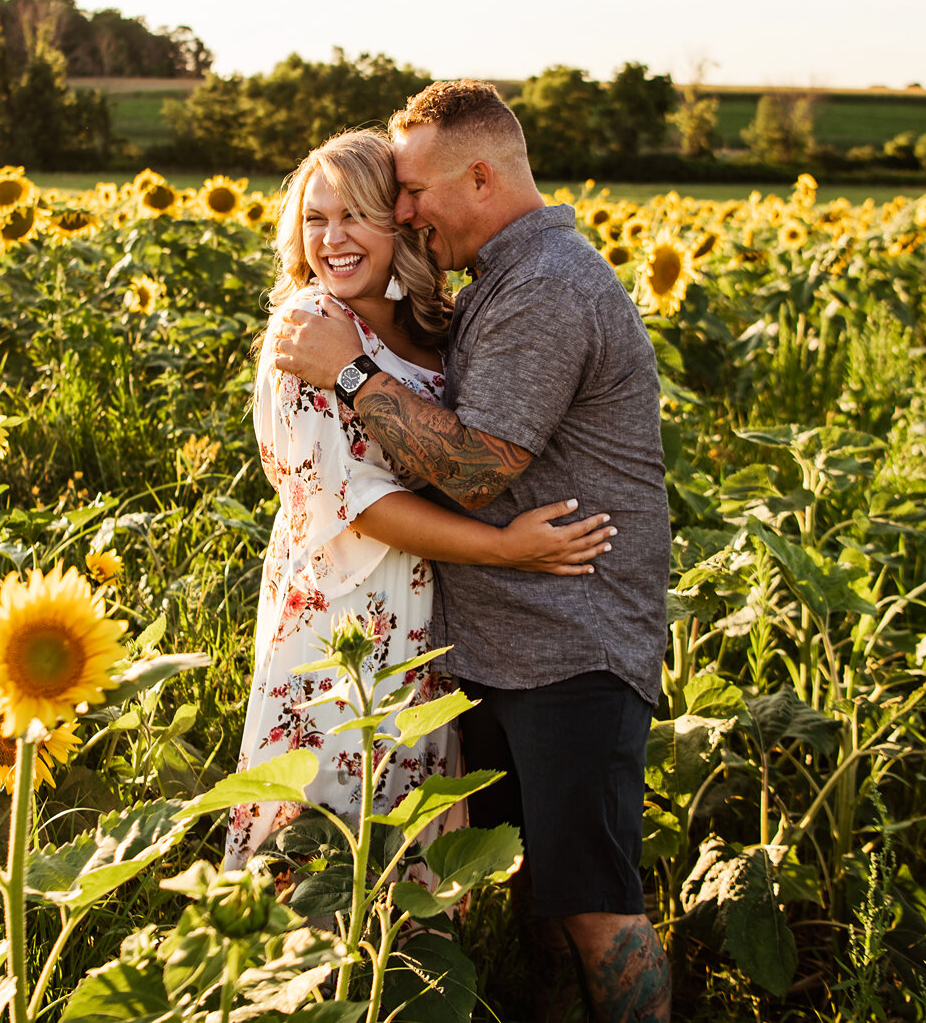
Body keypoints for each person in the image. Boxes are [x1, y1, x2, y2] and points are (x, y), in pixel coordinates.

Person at [273, 82, 672, 1023]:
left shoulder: (546, 284)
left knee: (594, 902)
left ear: (482, 175)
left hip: (570, 642)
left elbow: (476, 467)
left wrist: (352, 370)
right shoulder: (493, 276)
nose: (403, 209)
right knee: (539, 889)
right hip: (500, 643)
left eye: (410, 191)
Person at [225, 129, 616, 873]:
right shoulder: (309, 328)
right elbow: (357, 503)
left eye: (355, 215)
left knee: (411, 845)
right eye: (315, 218)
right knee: (323, 842)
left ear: (398, 222)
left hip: (432, 630)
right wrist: (507, 547)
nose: (332, 238)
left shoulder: (442, 323)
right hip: (344, 623)